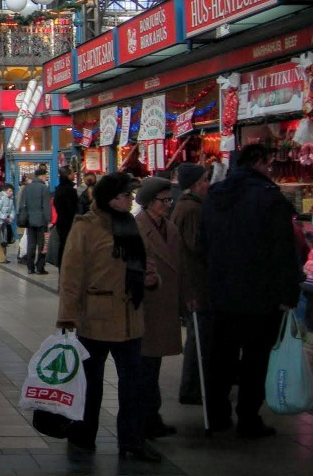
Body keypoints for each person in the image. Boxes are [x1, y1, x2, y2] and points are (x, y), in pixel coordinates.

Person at [57, 172, 161, 463]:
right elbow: (71, 275)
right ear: (108, 198)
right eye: (124, 196)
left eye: (130, 196)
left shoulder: (133, 226)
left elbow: (145, 266)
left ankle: (132, 440)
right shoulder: (86, 227)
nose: (130, 200)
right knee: (91, 383)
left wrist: (151, 279)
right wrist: (67, 316)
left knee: (133, 384)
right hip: (96, 318)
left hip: (131, 318)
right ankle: (83, 434)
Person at [202, 143, 301, 438]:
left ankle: (217, 414)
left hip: (222, 292)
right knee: (255, 360)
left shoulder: (215, 195)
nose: (270, 169)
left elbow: (203, 242)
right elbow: (283, 250)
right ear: (259, 162)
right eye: (269, 163)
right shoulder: (269, 198)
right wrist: (287, 293)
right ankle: (248, 417)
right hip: (260, 295)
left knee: (221, 357)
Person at [134, 176, 185, 440]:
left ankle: (151, 416)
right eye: (164, 200)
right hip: (147, 306)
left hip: (165, 304)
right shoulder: (137, 228)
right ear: (149, 202)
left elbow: (181, 264)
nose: (169, 204)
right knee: (145, 367)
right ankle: (145, 418)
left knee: (153, 365)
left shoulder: (170, 228)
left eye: (169, 199)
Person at [170, 163, 212, 404]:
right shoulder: (193, 210)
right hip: (195, 282)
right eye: (205, 180)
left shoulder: (181, 206)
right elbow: (197, 246)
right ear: (195, 184)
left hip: (187, 280)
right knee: (199, 336)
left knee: (197, 335)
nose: (208, 185)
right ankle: (193, 388)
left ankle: (193, 386)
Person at [20, 165, 52, 274]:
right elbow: (46, 206)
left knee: (31, 244)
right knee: (42, 245)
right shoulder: (44, 188)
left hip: (29, 220)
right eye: (45, 176)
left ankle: (30, 267)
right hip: (41, 221)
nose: (46, 178)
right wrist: (49, 220)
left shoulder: (27, 188)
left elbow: (22, 204)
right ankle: (40, 267)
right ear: (42, 176)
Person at [52, 167, 79, 267]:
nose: (74, 174)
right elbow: (72, 207)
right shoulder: (68, 190)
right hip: (68, 223)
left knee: (63, 245)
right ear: (68, 175)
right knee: (67, 246)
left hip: (62, 222)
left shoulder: (59, 189)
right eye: (72, 173)